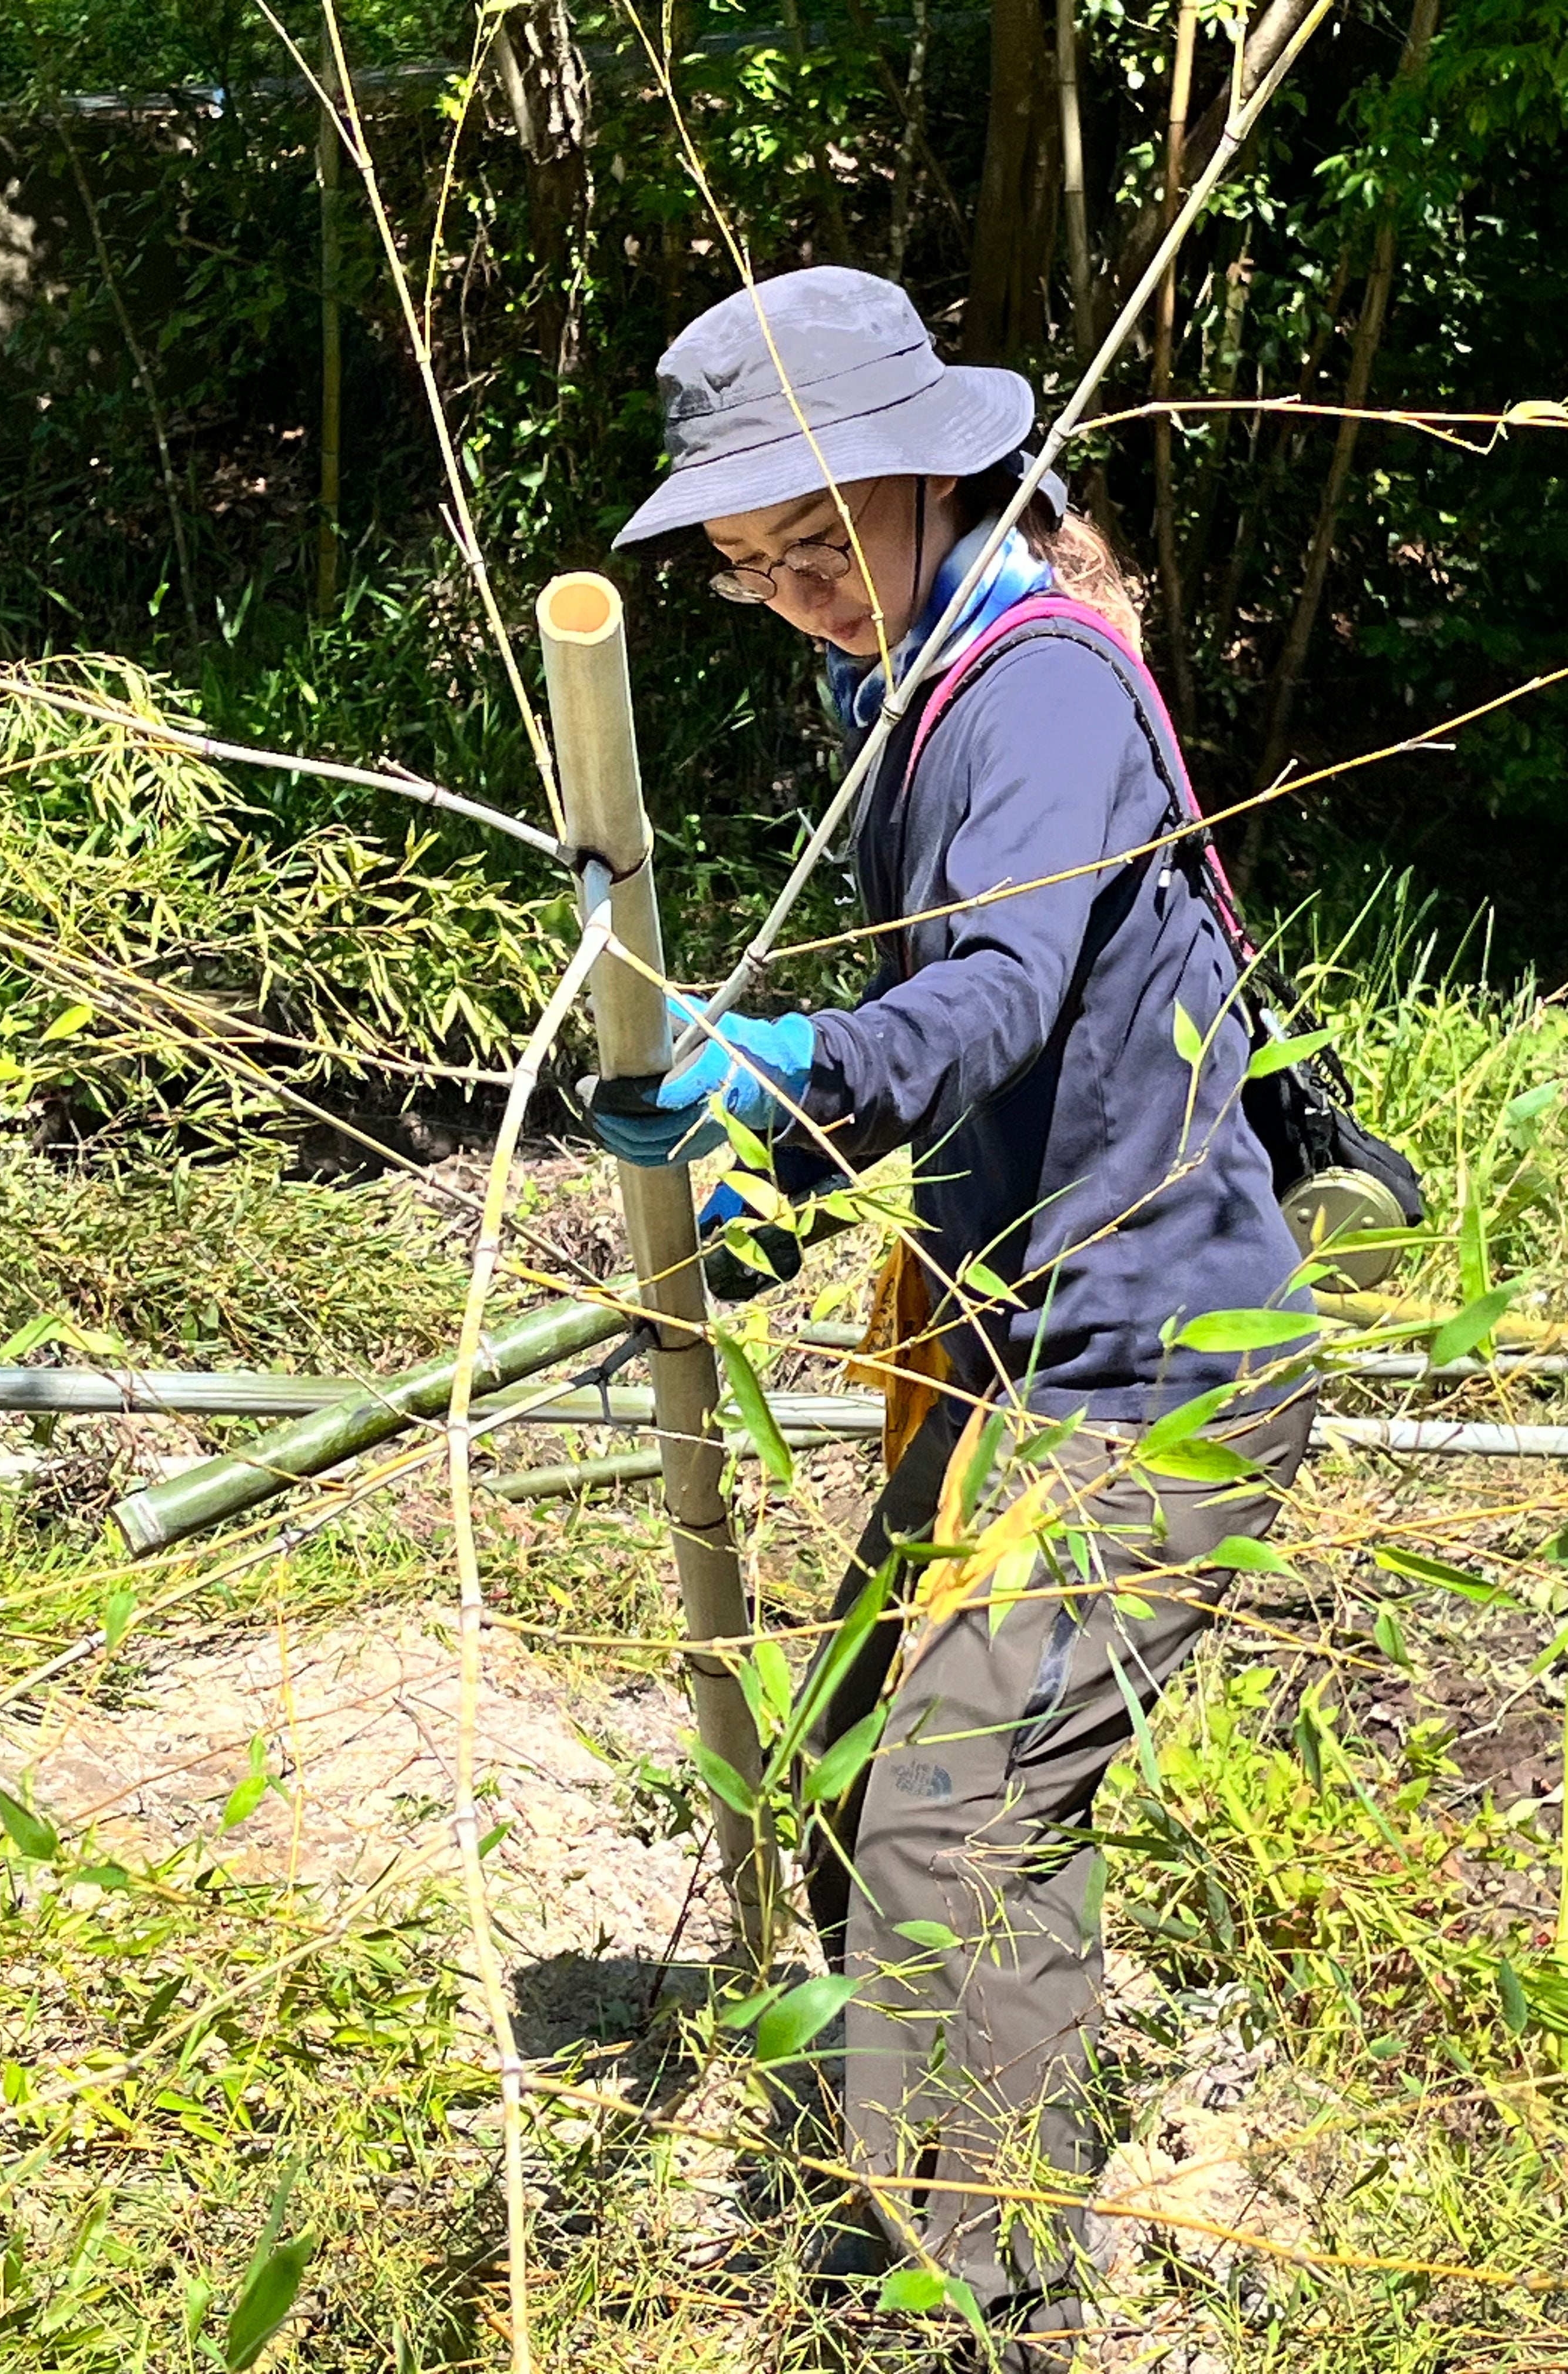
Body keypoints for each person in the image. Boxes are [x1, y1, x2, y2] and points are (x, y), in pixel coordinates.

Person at [594, 267, 1315, 2366]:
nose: (801, 590)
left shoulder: (1038, 689)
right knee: (843, 1760)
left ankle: (977, 2314)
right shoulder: (913, 682)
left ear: (935, 472)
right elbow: (1008, 1058)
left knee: (962, 1806)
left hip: (1158, 1359)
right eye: (751, 567)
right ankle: (891, 2195)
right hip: (1011, 1334)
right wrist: (776, 1175)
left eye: (821, 538)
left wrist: (790, 1066)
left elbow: (983, 995)